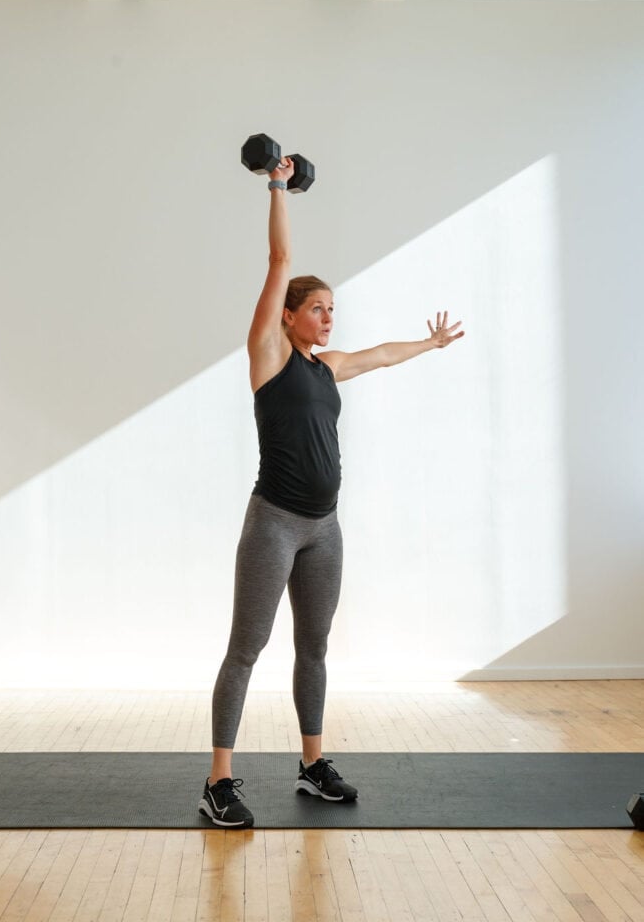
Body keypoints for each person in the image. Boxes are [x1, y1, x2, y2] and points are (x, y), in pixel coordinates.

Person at [198, 156, 465, 828]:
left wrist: (428, 345)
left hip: (324, 528)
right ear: (287, 317)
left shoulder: (327, 367)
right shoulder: (269, 355)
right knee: (246, 647)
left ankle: (312, 765)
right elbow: (279, 256)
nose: (326, 318)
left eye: (331, 310)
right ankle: (218, 780)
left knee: (313, 647)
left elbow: (377, 355)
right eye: (316, 309)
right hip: (274, 523)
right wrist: (278, 187)